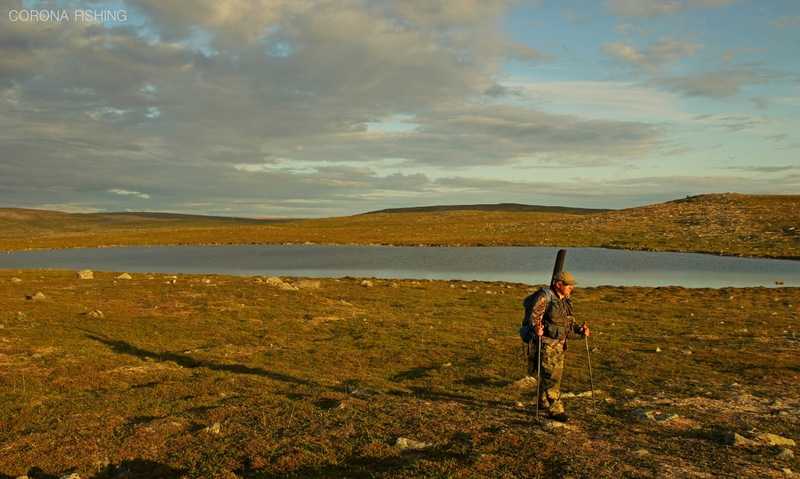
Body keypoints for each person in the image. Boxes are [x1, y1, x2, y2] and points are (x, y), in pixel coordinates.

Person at [522, 271, 589, 422]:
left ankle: (543, 401)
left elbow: (568, 324)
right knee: (552, 378)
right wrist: (535, 330)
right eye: (568, 285)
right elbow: (532, 320)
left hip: (560, 345)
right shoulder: (543, 298)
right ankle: (555, 409)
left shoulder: (565, 300)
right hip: (546, 345)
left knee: (550, 375)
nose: (571, 287)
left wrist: (580, 331)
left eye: (572, 285)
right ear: (558, 284)